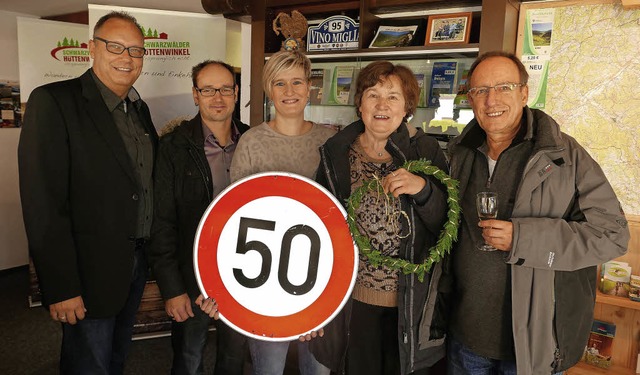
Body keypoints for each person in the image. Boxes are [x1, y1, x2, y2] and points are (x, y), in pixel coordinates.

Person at [446, 51, 630, 375]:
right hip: (466, 339)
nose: (492, 100)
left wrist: (525, 238)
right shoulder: (458, 153)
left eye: (503, 87)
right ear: (471, 99)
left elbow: (612, 235)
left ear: (524, 93)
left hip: (532, 349)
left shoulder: (565, 155)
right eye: (481, 90)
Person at [18, 11, 157, 374]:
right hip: (85, 271)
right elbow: (42, 203)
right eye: (115, 47)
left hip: (135, 262)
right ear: (91, 49)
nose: (127, 58)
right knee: (87, 364)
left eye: (136, 50)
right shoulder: (54, 102)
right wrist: (60, 285)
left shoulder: (139, 111)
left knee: (115, 358)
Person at [313, 60, 450, 375]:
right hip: (352, 305)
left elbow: (447, 226)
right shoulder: (335, 154)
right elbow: (317, 230)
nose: (382, 104)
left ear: (406, 108)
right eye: (373, 94)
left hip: (410, 305)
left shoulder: (425, 151)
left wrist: (423, 189)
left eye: (393, 96)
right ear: (360, 104)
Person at [229, 49, 336, 375]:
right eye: (279, 83)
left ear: (309, 88)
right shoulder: (251, 142)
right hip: (265, 282)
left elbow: (341, 215)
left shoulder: (330, 141)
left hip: (319, 276)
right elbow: (235, 216)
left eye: (297, 82)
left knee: (317, 370)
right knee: (269, 369)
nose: (289, 92)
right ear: (268, 89)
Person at [147, 60, 250, 374]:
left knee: (234, 357)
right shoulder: (173, 148)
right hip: (191, 277)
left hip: (243, 272)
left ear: (235, 94)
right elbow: (162, 223)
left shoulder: (253, 140)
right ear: (195, 95)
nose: (217, 97)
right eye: (208, 89)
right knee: (189, 358)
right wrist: (172, 289)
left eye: (225, 89)